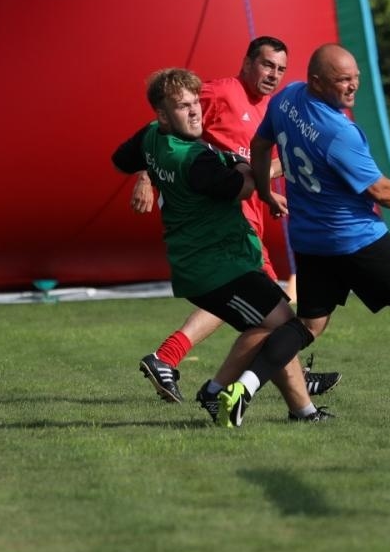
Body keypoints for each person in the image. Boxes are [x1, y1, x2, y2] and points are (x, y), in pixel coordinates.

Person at [212, 43, 390, 426]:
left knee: (308, 325)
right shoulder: (339, 132)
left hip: (310, 240)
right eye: (343, 81)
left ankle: (243, 388)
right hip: (356, 239)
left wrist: (263, 189)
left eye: (356, 78)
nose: (353, 87)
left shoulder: (287, 99)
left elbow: (260, 144)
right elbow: (377, 191)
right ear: (317, 81)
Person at [111, 67, 332, 424]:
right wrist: (266, 167)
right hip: (218, 266)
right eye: (183, 106)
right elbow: (242, 187)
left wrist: (149, 173)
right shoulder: (192, 159)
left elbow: (121, 160)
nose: (196, 110)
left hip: (213, 262)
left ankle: (296, 409)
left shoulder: (153, 136)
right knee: (284, 327)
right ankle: (227, 393)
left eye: (196, 102)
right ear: (164, 114)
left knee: (271, 326)